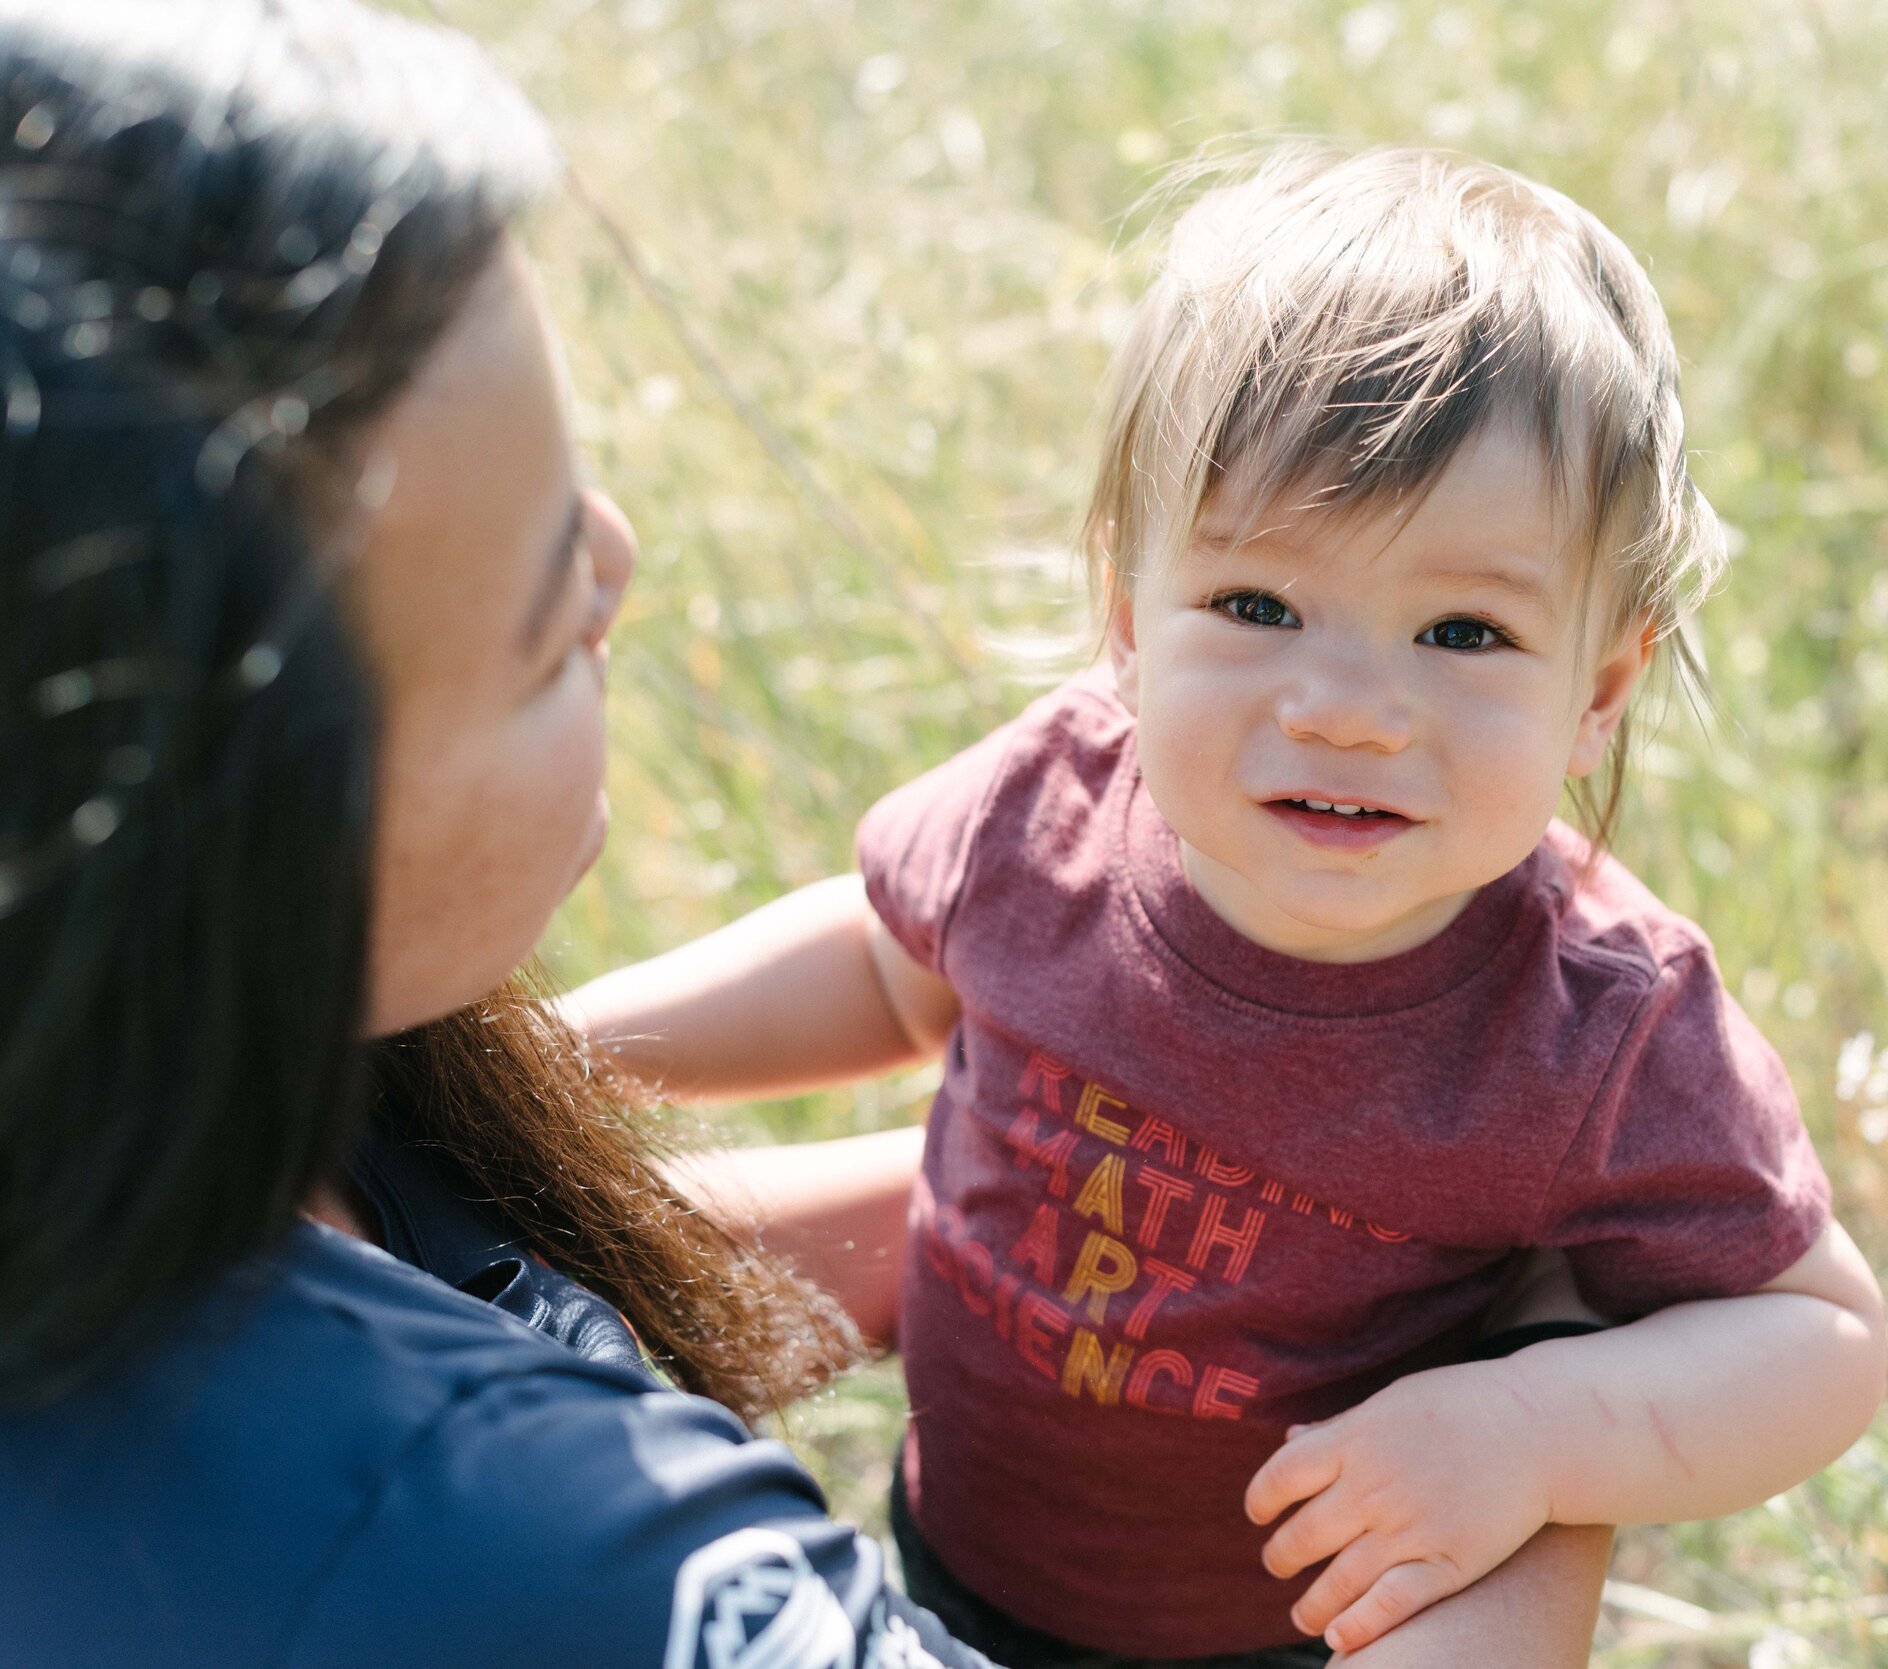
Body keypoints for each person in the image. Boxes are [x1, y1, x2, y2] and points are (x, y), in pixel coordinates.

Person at [0, 7, 1625, 1665]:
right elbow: (885, 951)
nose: (617, 560)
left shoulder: (178, 1104)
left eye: (1465, 632)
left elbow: (570, 1263)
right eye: (540, 583)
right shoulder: (562, 1569)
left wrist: (1150, 1239)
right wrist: (1545, 1418)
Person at [571, 146, 1888, 1669]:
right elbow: (887, 970)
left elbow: (1823, 1338)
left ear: (1598, 692)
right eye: (1260, 607)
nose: (1347, 708)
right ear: (1132, 625)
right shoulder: (1056, 803)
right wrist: (566, 1050)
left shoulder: (1587, 1026)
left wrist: (1528, 1429)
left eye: (1463, 630)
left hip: (1285, 1631)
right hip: (953, 1555)